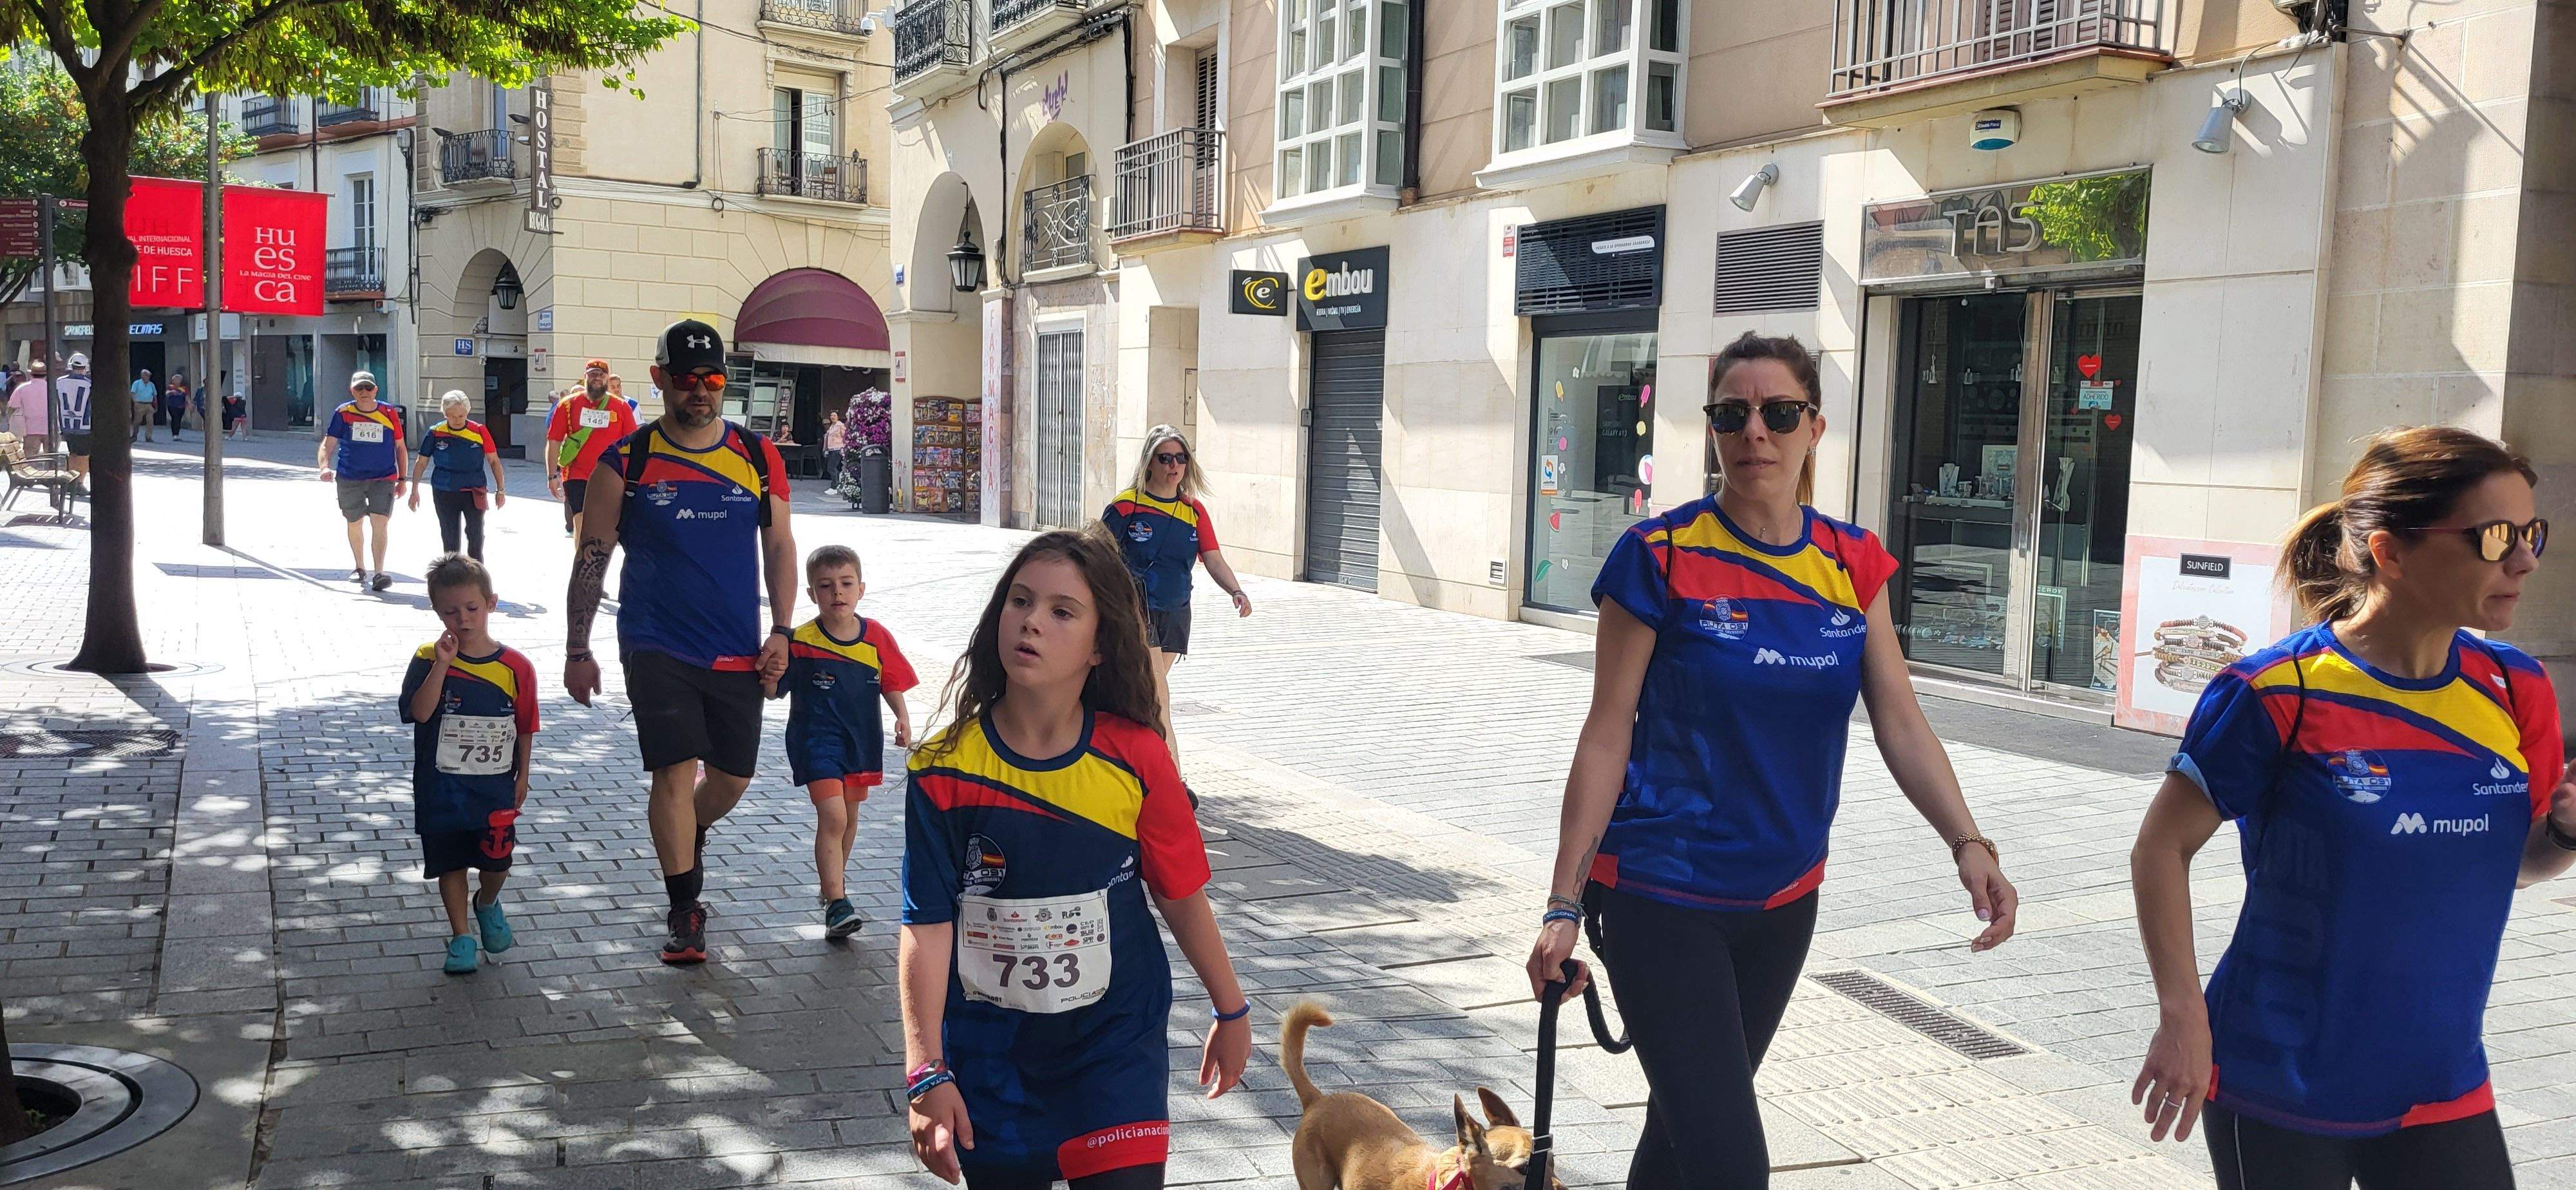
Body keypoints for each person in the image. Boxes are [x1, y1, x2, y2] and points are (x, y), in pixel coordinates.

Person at [1525, 331, 2019, 1189]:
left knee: (1684, 1138)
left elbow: (1900, 721)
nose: (1756, 430)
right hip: (1660, 895)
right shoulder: (1659, 557)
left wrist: (1968, 841)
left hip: (1784, 901)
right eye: (1733, 413)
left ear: (1814, 428)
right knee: (1730, 1165)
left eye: (1779, 412)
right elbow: (1606, 734)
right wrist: (1564, 901)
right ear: (1712, 429)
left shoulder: (1852, 563)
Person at [2130, 426, 2567, 1189]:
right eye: (2495, 537)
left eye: (2530, 532)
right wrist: (2182, 1017)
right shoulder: (2275, 691)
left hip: (2441, 1077)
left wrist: (2563, 834)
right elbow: (2160, 849)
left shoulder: (2515, 688)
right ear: (2390, 553)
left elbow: (2510, 866)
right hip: (2279, 1080)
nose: (2524, 559)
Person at [899, 530, 1251, 1189]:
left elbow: (1178, 892)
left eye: (1062, 611)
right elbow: (926, 924)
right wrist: (926, 1069)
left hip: (1113, 1049)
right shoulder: (941, 769)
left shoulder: (1138, 757)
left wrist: (1230, 1010)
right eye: (1020, 601)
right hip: (991, 1059)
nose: (1031, 620)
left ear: (1098, 647)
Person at [564, 320, 797, 966]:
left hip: (736, 646)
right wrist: (577, 649)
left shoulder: (756, 456)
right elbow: (593, 556)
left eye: (712, 380)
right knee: (671, 770)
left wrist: (782, 629)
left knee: (731, 779)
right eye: (688, 379)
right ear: (661, 378)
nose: (700, 391)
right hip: (654, 641)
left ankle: (683, 839)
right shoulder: (626, 461)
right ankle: (684, 906)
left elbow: (778, 545)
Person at [765, 544, 916, 938]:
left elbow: (892, 682)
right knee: (833, 816)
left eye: (846, 584)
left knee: (849, 818)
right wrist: (768, 673)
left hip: (861, 740)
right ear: (812, 594)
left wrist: (902, 717)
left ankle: (834, 889)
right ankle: (836, 903)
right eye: (826, 586)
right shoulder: (800, 640)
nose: (838, 593)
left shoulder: (876, 637)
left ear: (861, 589)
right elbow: (771, 690)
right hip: (815, 741)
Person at [399, 554, 539, 976]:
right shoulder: (428, 657)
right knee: (449, 860)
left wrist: (524, 776)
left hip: (494, 786)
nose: (462, 619)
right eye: (450, 611)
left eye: (472, 609)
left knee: (497, 860)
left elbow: (526, 724)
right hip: (441, 786)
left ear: (491, 604)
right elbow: (419, 713)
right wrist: (443, 664)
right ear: (437, 611)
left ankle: (488, 902)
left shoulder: (516, 666)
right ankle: (461, 936)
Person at [1099, 427, 1252, 762]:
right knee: (1158, 695)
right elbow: (1097, 555)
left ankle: (1125, 757)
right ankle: (1174, 777)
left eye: (1181, 458)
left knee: (1144, 693)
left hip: (1176, 612)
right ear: (1149, 462)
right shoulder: (1127, 506)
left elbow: (1212, 557)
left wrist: (1236, 591)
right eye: (1165, 458)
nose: (1174, 465)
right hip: (1137, 609)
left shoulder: (1193, 512)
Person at [317, 370, 410, 591]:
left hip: (383, 477)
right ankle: (360, 568)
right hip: (350, 477)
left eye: (369, 388)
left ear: (376, 390)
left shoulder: (389, 412)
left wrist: (403, 478)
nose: (364, 392)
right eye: (360, 389)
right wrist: (324, 467)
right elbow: (328, 444)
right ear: (352, 391)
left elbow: (400, 447)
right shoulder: (343, 412)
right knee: (355, 522)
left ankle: (379, 573)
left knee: (380, 522)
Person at [545, 359, 640, 538]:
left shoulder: (621, 407)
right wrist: (552, 475)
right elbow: (554, 440)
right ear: (585, 378)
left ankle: (596, 563)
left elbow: (632, 443)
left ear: (607, 379)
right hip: (576, 474)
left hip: (610, 476)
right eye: (593, 374)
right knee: (581, 521)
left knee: (605, 525)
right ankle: (582, 564)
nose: (597, 378)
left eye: (601, 375)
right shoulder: (567, 405)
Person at [409, 391, 507, 561]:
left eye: (461, 415)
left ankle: (477, 579)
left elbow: (494, 461)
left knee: (476, 536)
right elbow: (421, 462)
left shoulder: (479, 431)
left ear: (467, 413)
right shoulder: (435, 432)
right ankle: (453, 579)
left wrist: (501, 490)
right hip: (444, 490)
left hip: (474, 489)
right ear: (445, 414)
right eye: (452, 416)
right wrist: (414, 490)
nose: (457, 420)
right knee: (450, 539)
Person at [56, 353, 93, 478]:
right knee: (84, 456)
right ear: (85, 367)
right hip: (84, 426)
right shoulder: (89, 384)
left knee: (72, 454)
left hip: (66, 425)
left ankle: (70, 481)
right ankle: (80, 483)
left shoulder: (59, 382)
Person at [7, 360, 50, 456]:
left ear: (31, 374)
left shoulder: (22, 388)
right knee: (52, 460)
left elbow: (12, 406)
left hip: (30, 429)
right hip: (51, 428)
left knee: (30, 460)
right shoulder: (53, 387)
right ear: (46, 375)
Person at [129, 368, 158, 443]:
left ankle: (149, 437)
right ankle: (134, 435)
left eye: (149, 376)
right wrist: (135, 402)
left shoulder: (151, 385)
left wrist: (156, 405)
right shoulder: (137, 383)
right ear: (142, 376)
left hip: (149, 404)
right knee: (138, 421)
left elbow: (155, 395)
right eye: (146, 375)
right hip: (139, 404)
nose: (148, 377)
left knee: (150, 421)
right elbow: (132, 393)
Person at [821, 410, 847, 488]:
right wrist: (825, 449)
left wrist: (843, 448)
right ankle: (836, 483)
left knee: (831, 467)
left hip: (837, 448)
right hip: (831, 449)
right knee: (830, 467)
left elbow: (845, 437)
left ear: (838, 417)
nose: (833, 417)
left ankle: (836, 484)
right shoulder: (832, 426)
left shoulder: (840, 426)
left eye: (834, 416)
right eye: (832, 416)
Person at [163, 372, 191, 441]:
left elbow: (187, 397)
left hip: (181, 407)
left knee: (178, 420)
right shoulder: (170, 387)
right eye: (176, 380)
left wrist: (190, 404)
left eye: (179, 380)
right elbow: (167, 395)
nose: (177, 381)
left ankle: (177, 434)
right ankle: (174, 435)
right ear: (173, 381)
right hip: (172, 407)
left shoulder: (184, 388)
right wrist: (172, 392)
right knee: (175, 419)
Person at [223, 371, 247, 440]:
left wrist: (233, 396)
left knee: (234, 429)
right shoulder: (244, 402)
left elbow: (227, 398)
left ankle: (229, 437)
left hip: (237, 417)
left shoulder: (234, 401)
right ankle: (245, 438)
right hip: (244, 416)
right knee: (244, 428)